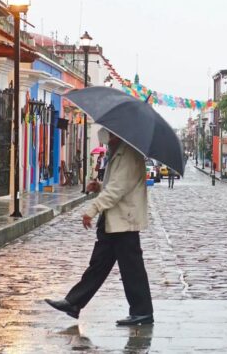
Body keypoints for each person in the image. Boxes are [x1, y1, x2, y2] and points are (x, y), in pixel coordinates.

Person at [46, 130, 154, 326]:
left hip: (124, 220)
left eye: (111, 136)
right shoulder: (119, 153)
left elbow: (117, 189)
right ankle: (73, 303)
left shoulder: (129, 155)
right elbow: (113, 186)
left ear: (120, 135)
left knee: (132, 269)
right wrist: (99, 187)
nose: (108, 140)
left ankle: (142, 312)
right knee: (98, 265)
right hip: (113, 219)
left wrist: (93, 208)